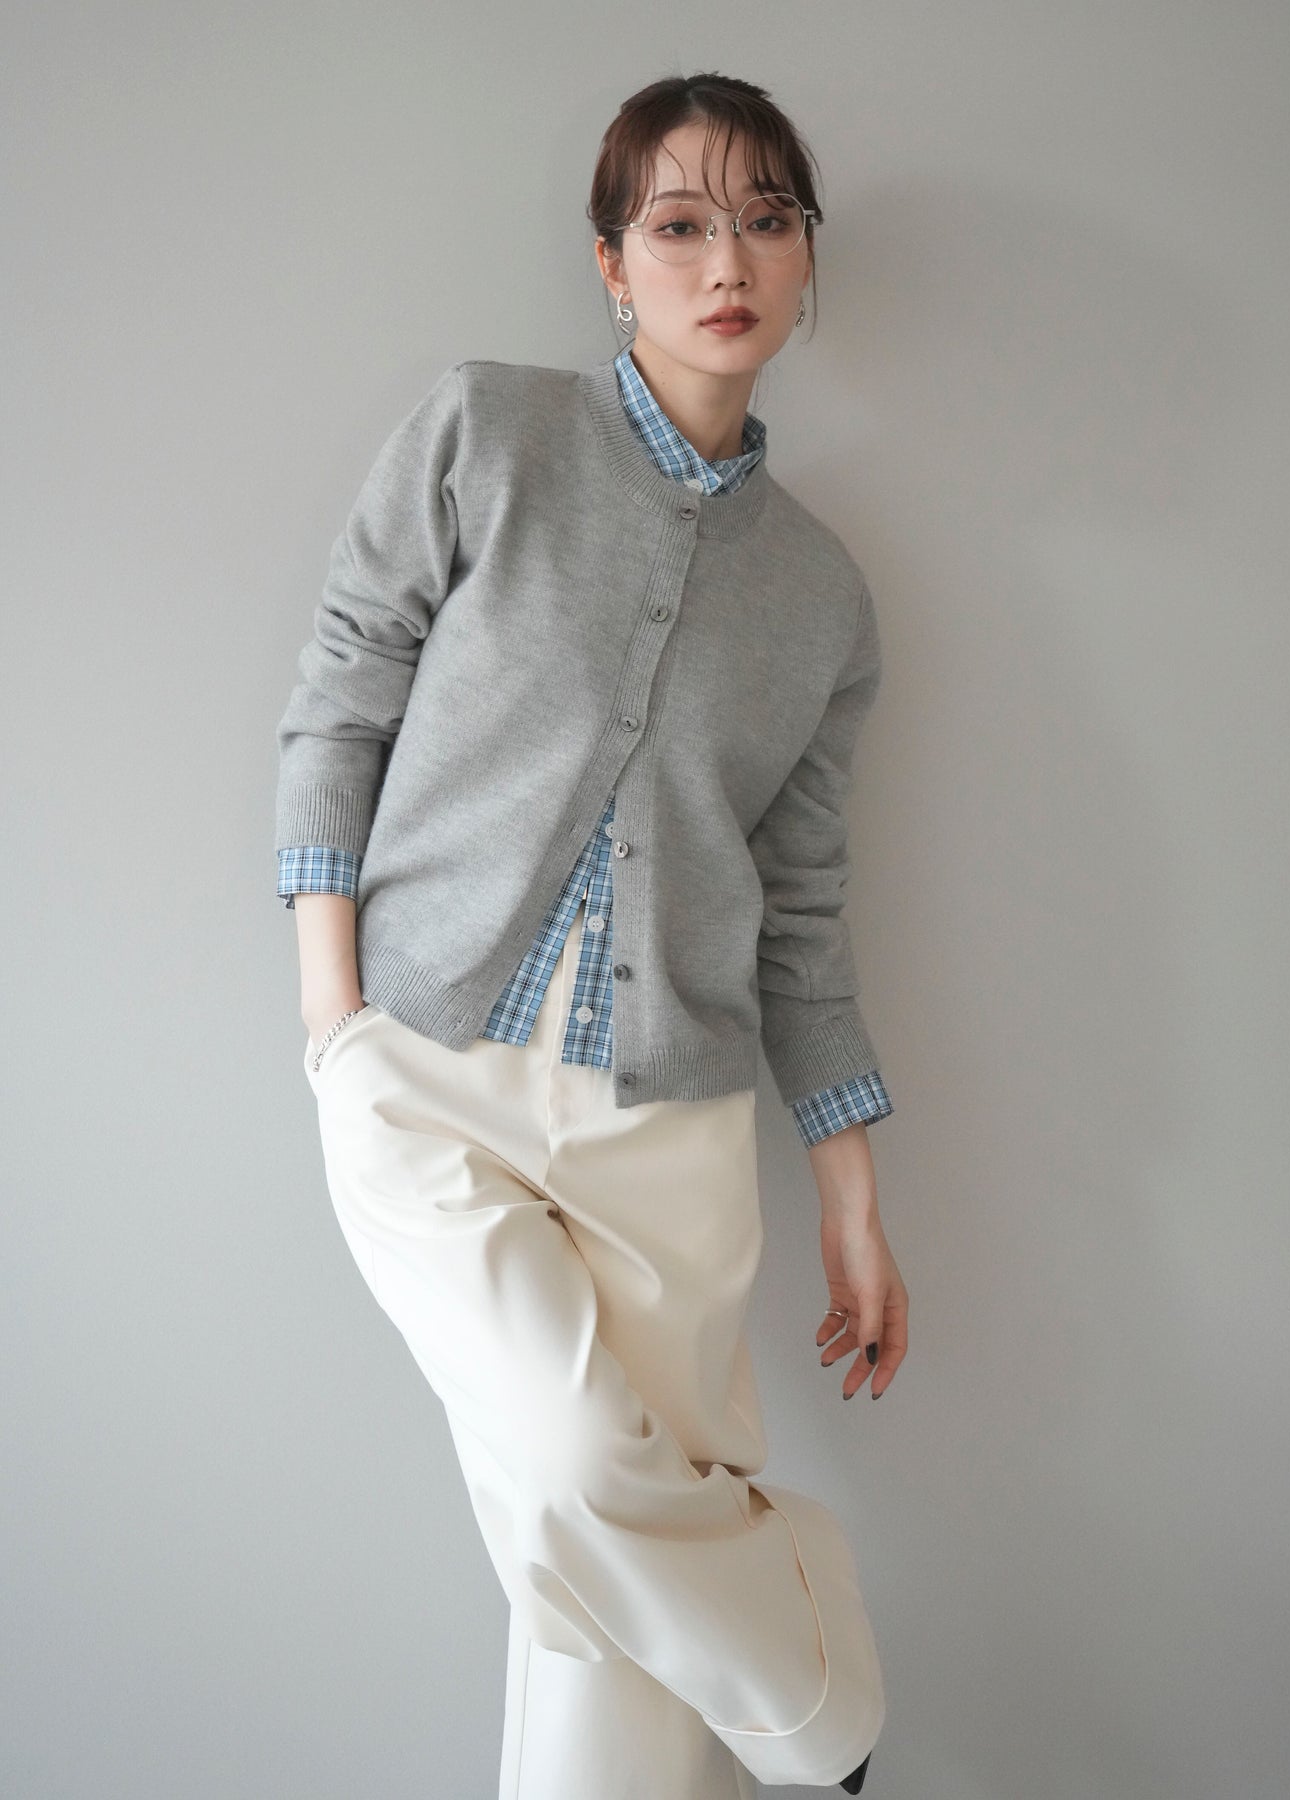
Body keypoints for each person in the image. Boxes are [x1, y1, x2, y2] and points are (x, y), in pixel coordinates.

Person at [274, 70, 909, 1800]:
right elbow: (341, 695)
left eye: (766, 220)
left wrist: (850, 1198)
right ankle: (820, 1704)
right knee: (571, 1474)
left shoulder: (823, 595)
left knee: (591, 1628)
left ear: (804, 259)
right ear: (613, 264)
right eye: (680, 224)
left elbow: (803, 909)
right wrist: (333, 1017)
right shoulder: (486, 432)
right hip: (421, 1072)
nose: (729, 261)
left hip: (667, 1130)